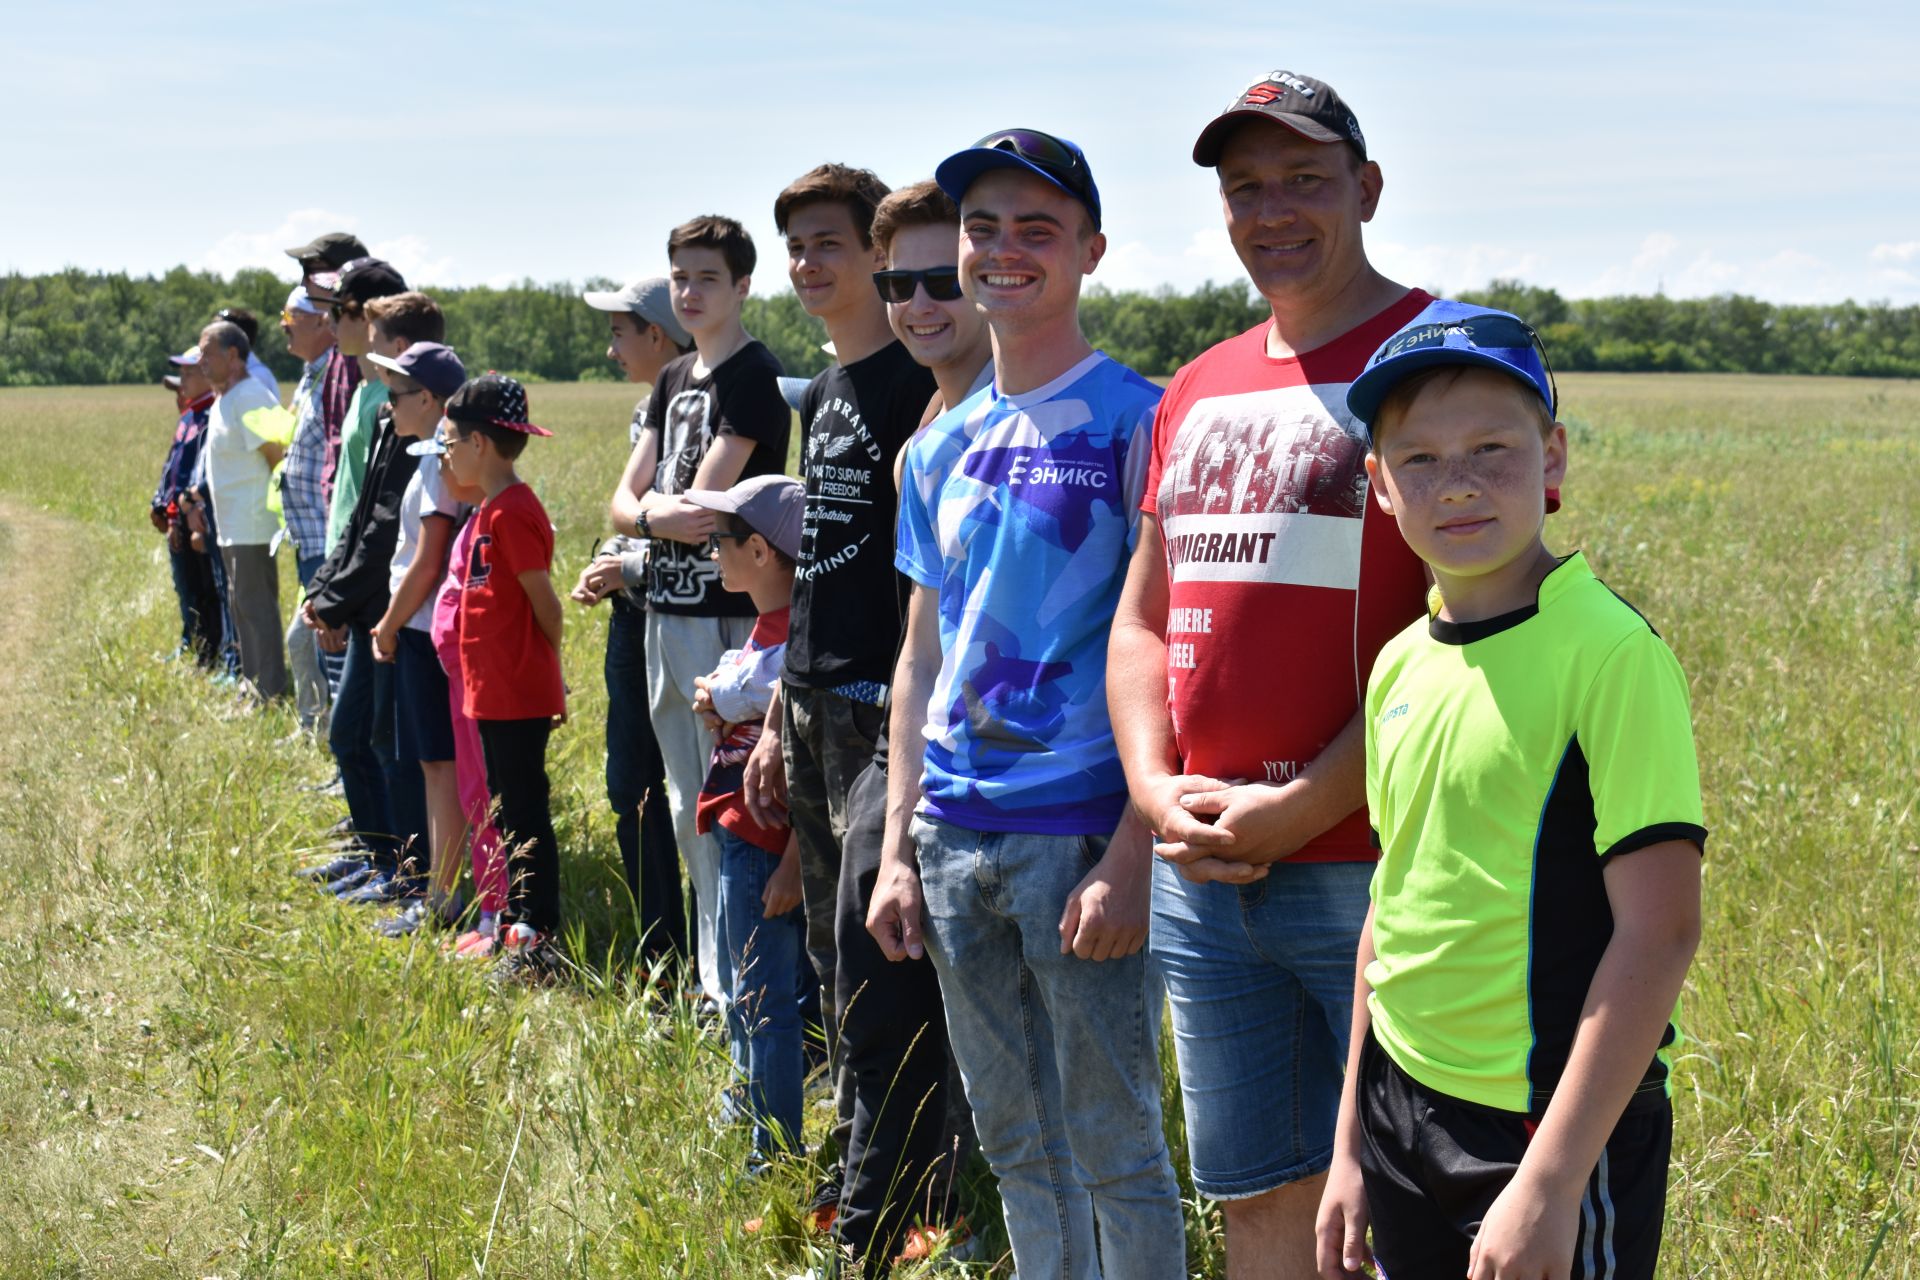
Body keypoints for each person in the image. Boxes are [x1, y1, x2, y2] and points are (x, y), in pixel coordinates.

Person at [1104, 72, 1442, 1277]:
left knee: (1402, 1211)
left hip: (1380, 867)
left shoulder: (1437, 355)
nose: (1273, 209)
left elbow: (1464, 629)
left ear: (1368, 187)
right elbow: (1145, 615)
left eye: (1306, 178)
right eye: (1245, 187)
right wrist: (1153, 788)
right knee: (1258, 1208)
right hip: (1208, 878)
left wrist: (1308, 803)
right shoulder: (1196, 384)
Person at [1315, 312, 1705, 1280]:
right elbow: (1388, 909)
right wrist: (1350, 1144)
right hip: (1401, 1108)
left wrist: (1553, 1177)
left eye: (1493, 449)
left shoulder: (1611, 653)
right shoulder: (1402, 661)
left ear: (1554, 457)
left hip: (1545, 1127)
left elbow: (1659, 931)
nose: (1457, 482)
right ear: (1381, 486)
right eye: (1420, 458)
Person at [867, 130, 1185, 1280]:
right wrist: (900, 849)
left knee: (1117, 1146)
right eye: (983, 229)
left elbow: (1174, 655)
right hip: (953, 839)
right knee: (1015, 1145)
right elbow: (920, 656)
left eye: (1036, 230)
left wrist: (1135, 851)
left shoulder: (1143, 423)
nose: (1004, 252)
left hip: (1080, 839)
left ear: (1090, 251)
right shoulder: (936, 445)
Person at [799, 179, 990, 1275]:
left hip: (1020, 778)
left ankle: (922, 1221)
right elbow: (921, 635)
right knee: (877, 996)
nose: (920, 302)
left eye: (943, 280)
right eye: (902, 282)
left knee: (939, 1015)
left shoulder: (1035, 419)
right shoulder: (928, 430)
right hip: (903, 744)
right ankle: (888, 1223)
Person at [743, 161, 937, 1233]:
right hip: (814, 707)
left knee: (882, 969)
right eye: (796, 248)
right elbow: (817, 563)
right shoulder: (819, 395)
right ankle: (855, 1170)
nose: (808, 265)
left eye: (828, 242)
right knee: (831, 965)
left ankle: (895, 1208)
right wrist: (778, 712)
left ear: (879, 250)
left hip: (882, 715)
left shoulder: (919, 376)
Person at [611, 216, 791, 1006]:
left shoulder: (751, 375)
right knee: (686, 801)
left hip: (727, 618)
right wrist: (651, 517)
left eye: (706, 278)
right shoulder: (672, 378)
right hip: (664, 615)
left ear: (743, 285)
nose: (689, 292)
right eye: (679, 277)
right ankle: (717, 984)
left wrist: (649, 513)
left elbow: (703, 505)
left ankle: (745, 994)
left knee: (732, 809)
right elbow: (627, 501)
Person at [299, 290, 443, 902]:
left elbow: (390, 533)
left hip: (391, 614)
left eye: (379, 340)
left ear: (404, 350)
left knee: (386, 744)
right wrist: (325, 591)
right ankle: (379, 856)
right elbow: (359, 516)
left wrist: (336, 602)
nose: (362, 346)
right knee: (358, 737)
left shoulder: (423, 424)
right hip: (366, 606)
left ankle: (404, 872)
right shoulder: (388, 411)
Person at [684, 474, 810, 1170]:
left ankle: (776, 1152)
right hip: (744, 834)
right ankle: (750, 1106)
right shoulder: (769, 629)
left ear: (760, 551)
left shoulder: (790, 643)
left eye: (722, 542)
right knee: (746, 989)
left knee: (764, 999)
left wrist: (718, 695)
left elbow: (738, 686)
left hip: (763, 841)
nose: (713, 556)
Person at [573, 276, 695, 968]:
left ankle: (708, 966)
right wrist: (619, 560)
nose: (611, 347)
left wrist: (633, 566)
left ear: (657, 334)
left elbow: (710, 534)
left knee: (690, 795)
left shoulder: (712, 409)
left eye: (621, 331)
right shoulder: (648, 415)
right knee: (633, 788)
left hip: (684, 625)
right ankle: (660, 954)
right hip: (635, 618)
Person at [435, 374, 568, 984]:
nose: (445, 453)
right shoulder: (490, 509)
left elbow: (547, 606)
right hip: (494, 694)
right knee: (508, 811)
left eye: (449, 442)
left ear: (480, 445)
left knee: (523, 813)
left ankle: (537, 939)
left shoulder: (514, 512)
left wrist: (547, 676)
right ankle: (517, 924)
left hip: (517, 695)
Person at [366, 342, 473, 938]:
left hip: (427, 628)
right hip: (424, 626)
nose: (389, 406)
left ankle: (445, 896)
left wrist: (387, 621)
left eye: (398, 395)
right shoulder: (433, 454)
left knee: (441, 765)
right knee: (437, 762)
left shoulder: (438, 461)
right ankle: (445, 889)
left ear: (428, 399)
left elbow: (428, 559)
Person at [196, 320, 288, 701]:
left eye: (207, 352)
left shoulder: (252, 395)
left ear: (233, 356)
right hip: (233, 525)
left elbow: (276, 454)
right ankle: (252, 685)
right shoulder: (226, 397)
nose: (201, 361)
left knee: (256, 608)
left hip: (252, 523)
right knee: (242, 607)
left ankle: (268, 691)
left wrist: (281, 515)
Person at [278, 284, 339, 735]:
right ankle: (321, 735)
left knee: (327, 646)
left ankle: (335, 745)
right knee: (312, 642)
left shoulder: (338, 375)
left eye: (291, 316)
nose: (283, 324)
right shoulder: (311, 375)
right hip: (308, 541)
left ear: (322, 320)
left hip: (327, 539)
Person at [323, 258, 407, 552]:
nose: (327, 320)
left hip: (360, 567)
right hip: (342, 561)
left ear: (368, 316)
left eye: (337, 309)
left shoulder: (392, 400)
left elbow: (384, 510)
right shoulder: (364, 390)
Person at [152, 351, 221, 667]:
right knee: (186, 588)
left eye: (190, 373)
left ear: (208, 375)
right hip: (177, 514)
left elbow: (199, 473)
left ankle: (209, 652)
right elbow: (173, 466)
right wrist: (162, 505)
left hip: (194, 516)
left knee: (204, 589)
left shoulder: (210, 415)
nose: (183, 382)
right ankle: (191, 643)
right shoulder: (189, 416)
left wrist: (189, 513)